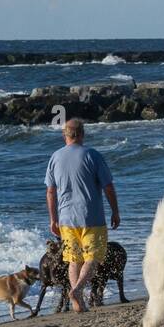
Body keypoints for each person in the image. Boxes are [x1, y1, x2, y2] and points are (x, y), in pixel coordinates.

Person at [45, 118, 120, 312]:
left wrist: (53, 219)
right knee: (92, 258)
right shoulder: (92, 155)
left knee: (73, 259)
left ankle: (78, 301)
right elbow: (108, 187)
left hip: (66, 219)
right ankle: (77, 290)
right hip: (92, 217)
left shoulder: (55, 157)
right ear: (82, 134)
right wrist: (115, 211)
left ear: (65, 135)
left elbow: (50, 191)